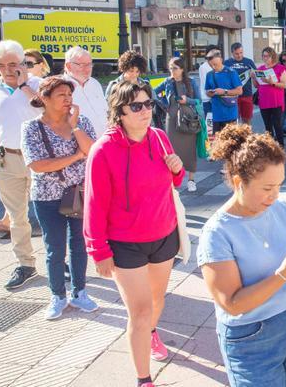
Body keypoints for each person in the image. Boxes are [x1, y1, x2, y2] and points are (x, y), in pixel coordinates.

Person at [199, 124, 286, 386]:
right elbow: (232, 303)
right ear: (240, 182)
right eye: (267, 188)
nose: (274, 195)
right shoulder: (217, 233)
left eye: (279, 185)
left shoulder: (282, 209)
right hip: (250, 339)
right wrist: (285, 273)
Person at [85, 81, 185, 387]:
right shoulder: (104, 149)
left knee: (156, 301)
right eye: (136, 106)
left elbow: (175, 182)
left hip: (164, 234)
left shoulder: (159, 137)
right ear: (120, 112)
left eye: (148, 104)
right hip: (125, 243)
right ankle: (144, 380)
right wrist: (98, 251)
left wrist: (178, 168)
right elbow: (94, 203)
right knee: (140, 312)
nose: (145, 111)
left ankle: (152, 334)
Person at [22, 76, 99, 319]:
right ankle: (57, 295)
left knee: (79, 244)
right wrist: (75, 157)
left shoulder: (80, 121)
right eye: (61, 95)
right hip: (47, 196)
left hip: (78, 192)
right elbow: (38, 165)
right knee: (54, 247)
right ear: (44, 99)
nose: (68, 99)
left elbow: (93, 151)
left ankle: (80, 292)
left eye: (69, 95)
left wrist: (75, 126)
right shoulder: (32, 128)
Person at [0, 40, 41, 289]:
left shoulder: (38, 85)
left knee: (51, 213)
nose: (7, 69)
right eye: (1, 65)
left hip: (38, 158)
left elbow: (51, 112)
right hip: (6, 158)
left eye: (13, 64)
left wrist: (25, 85)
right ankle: (25, 263)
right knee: (17, 217)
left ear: (23, 63)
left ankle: (59, 261)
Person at [154, 57, 201, 192]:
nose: (172, 71)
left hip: (188, 118)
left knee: (189, 150)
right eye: (170, 68)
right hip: (172, 118)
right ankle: (172, 179)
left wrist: (188, 100)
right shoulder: (167, 81)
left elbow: (198, 101)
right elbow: (152, 92)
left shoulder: (191, 82)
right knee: (171, 150)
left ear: (182, 69)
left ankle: (191, 180)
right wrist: (164, 104)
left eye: (175, 68)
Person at [64, 46, 108, 137]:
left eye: (89, 64)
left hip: (105, 142)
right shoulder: (60, 88)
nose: (87, 69)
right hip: (80, 146)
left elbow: (106, 111)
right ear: (68, 66)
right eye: (82, 65)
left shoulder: (95, 84)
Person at [255, 47, 286, 147]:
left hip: (276, 101)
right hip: (264, 101)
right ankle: (270, 147)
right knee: (267, 126)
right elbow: (257, 85)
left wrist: (272, 83)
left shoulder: (280, 68)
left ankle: (281, 146)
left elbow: (284, 85)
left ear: (272, 56)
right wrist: (253, 77)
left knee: (277, 125)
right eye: (263, 56)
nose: (265, 58)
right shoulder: (260, 69)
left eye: (267, 56)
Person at [204, 51, 243, 135]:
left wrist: (224, 91)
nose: (214, 67)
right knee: (217, 143)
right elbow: (207, 92)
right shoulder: (209, 74)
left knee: (231, 142)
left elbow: (240, 91)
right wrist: (210, 93)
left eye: (216, 64)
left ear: (221, 60)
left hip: (230, 114)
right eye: (211, 65)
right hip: (216, 115)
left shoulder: (231, 72)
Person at [224, 42, 258, 125]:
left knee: (247, 120)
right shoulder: (227, 63)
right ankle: (235, 137)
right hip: (232, 96)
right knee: (233, 121)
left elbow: (257, 77)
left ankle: (247, 137)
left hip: (247, 95)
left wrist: (254, 76)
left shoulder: (249, 62)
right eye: (236, 54)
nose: (239, 55)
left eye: (241, 53)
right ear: (232, 53)